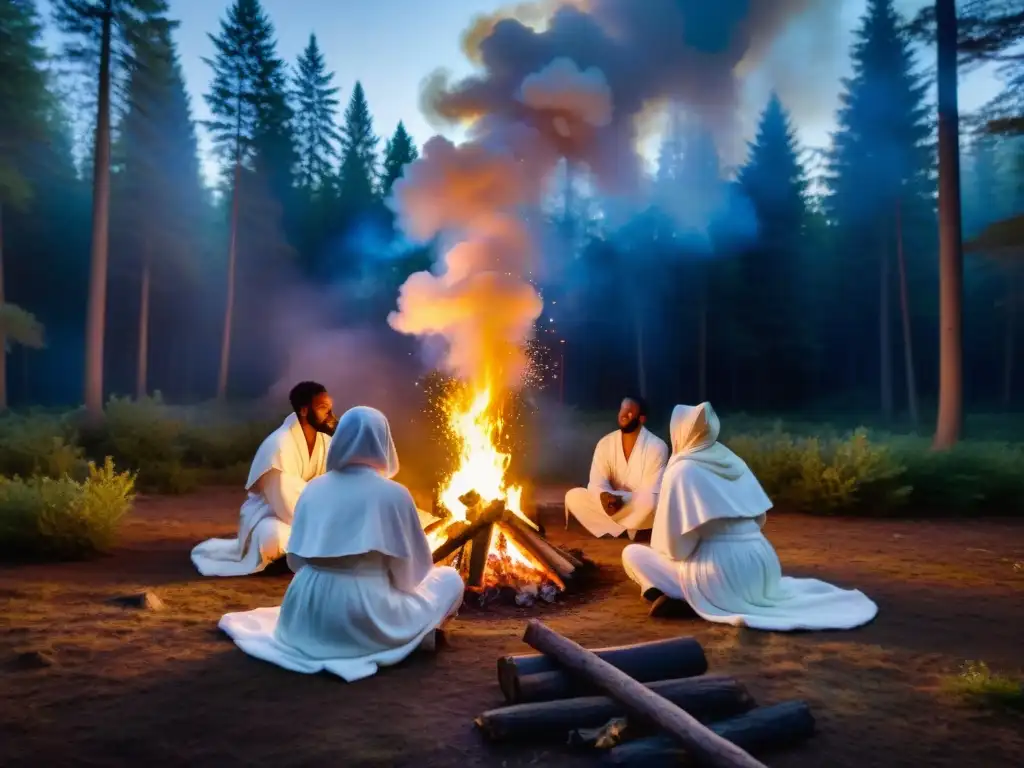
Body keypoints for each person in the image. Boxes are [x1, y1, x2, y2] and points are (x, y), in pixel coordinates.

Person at [217, 406, 465, 681]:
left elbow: (295, 561)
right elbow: (412, 575)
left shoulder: (314, 488)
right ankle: (417, 637)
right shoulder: (394, 494)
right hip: (364, 613)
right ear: (384, 442)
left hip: (303, 613)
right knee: (450, 579)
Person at [622, 402, 878, 631]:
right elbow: (759, 520)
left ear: (679, 432)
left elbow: (676, 549)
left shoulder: (682, 470)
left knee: (632, 554)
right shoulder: (733, 461)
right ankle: (678, 595)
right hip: (763, 565)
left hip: (719, 573)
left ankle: (683, 597)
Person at [190, 381, 337, 577]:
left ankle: (305, 553)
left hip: (312, 516)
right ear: (303, 410)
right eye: (323, 408)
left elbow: (334, 487)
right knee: (273, 537)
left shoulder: (326, 444)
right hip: (272, 515)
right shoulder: (279, 446)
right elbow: (285, 501)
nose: (330, 415)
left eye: (330, 408)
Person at [564, 396, 669, 539]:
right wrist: (605, 497)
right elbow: (596, 483)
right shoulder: (605, 443)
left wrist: (619, 499)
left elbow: (651, 491)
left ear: (642, 419)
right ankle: (629, 530)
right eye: (622, 409)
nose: (624, 414)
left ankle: (621, 527)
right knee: (574, 496)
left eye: (630, 411)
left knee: (651, 503)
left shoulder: (657, 447)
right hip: (610, 505)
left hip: (638, 506)